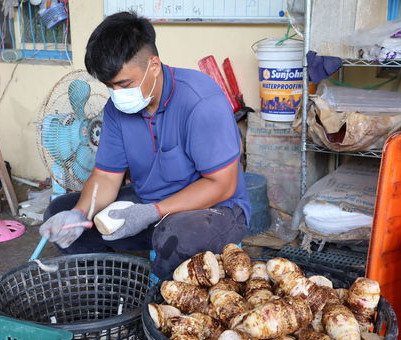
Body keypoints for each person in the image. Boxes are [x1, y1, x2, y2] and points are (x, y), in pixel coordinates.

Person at [40, 12, 250, 279]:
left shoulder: (200, 101)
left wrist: (152, 212)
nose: (117, 94)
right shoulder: (116, 109)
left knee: (175, 235)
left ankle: (157, 301)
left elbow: (222, 185)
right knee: (61, 210)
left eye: (123, 84)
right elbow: (105, 176)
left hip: (215, 210)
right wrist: (80, 213)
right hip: (146, 207)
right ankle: (110, 292)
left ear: (154, 65)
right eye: (109, 86)